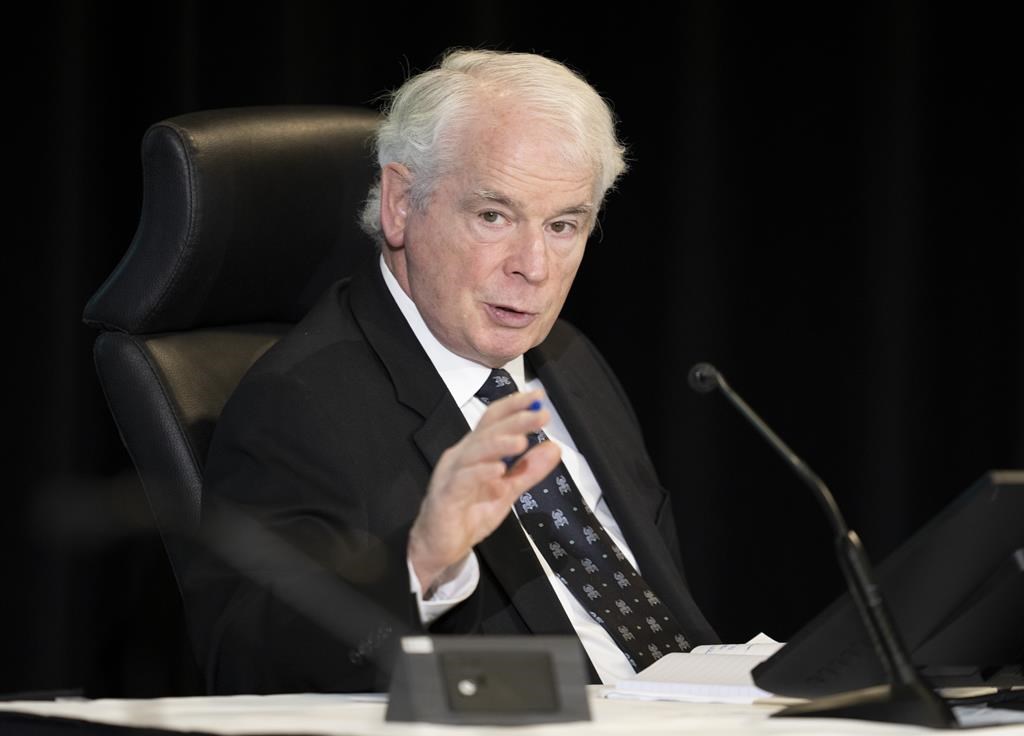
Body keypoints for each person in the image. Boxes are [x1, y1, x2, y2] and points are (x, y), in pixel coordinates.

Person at [184, 48, 717, 695]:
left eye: (562, 225)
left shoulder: (572, 360)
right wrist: (420, 559)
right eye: (494, 216)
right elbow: (244, 664)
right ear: (401, 204)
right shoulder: (300, 403)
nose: (534, 266)